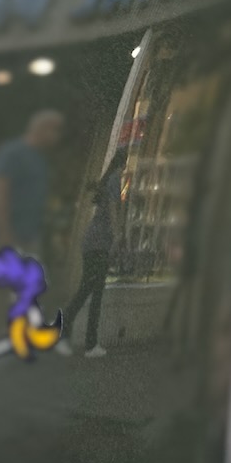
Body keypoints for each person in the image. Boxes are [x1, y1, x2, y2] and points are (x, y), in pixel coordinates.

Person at [58, 149, 126, 359]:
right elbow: (114, 208)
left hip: (92, 243)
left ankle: (77, 339)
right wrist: (117, 236)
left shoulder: (107, 179)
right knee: (92, 293)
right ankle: (85, 343)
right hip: (100, 245)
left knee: (88, 291)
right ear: (123, 163)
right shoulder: (115, 179)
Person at [0, 109, 64, 256]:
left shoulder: (40, 159)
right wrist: (4, 234)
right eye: (55, 130)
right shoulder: (13, 153)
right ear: (41, 129)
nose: (58, 136)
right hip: (3, 239)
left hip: (27, 238)